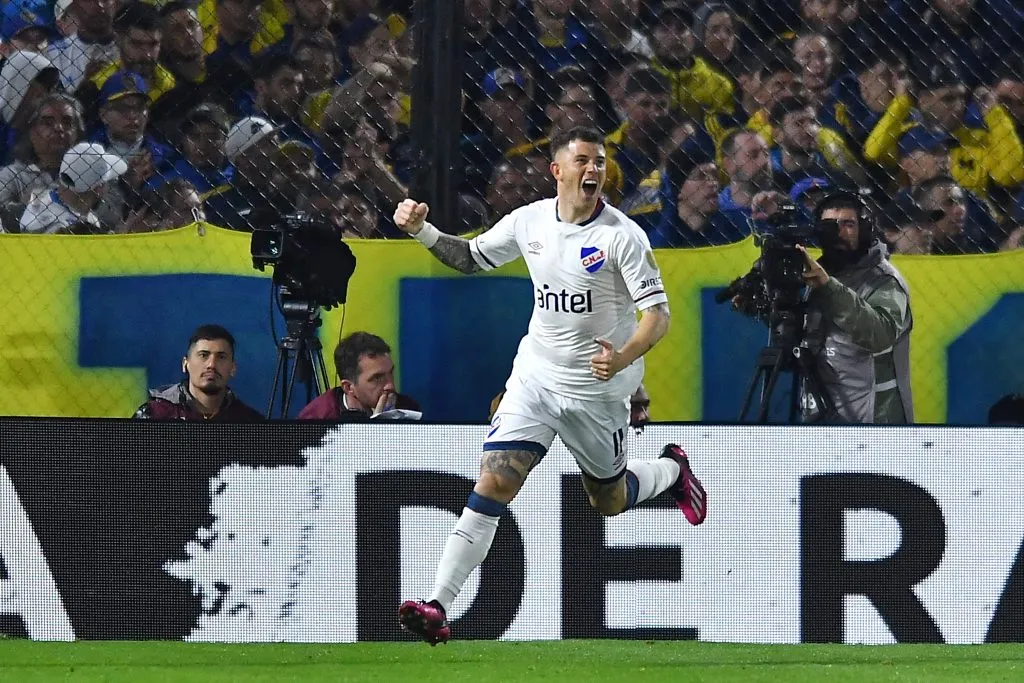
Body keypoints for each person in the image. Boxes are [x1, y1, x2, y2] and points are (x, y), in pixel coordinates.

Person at [392, 126, 707, 646]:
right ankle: (437, 605)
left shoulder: (621, 236)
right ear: (556, 171)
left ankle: (672, 470)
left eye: (600, 162)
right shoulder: (529, 220)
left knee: (608, 499)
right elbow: (470, 258)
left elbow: (659, 316)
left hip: (598, 393)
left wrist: (623, 356)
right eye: (583, 160)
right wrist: (423, 231)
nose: (594, 170)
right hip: (536, 378)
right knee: (493, 482)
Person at [795, 192, 914, 423]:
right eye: (829, 225)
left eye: (848, 224)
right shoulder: (815, 273)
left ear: (866, 230)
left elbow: (879, 335)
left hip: (873, 423)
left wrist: (828, 287)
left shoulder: (885, 280)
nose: (838, 232)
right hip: (821, 413)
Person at [133, 324, 263, 421]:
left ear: (233, 368)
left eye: (221, 357)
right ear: (185, 364)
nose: (211, 365)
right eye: (203, 355)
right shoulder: (155, 415)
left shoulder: (249, 421)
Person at [296, 331, 420, 420]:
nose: (390, 385)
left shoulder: (406, 409)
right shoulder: (316, 420)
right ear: (348, 387)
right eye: (377, 378)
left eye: (391, 373)